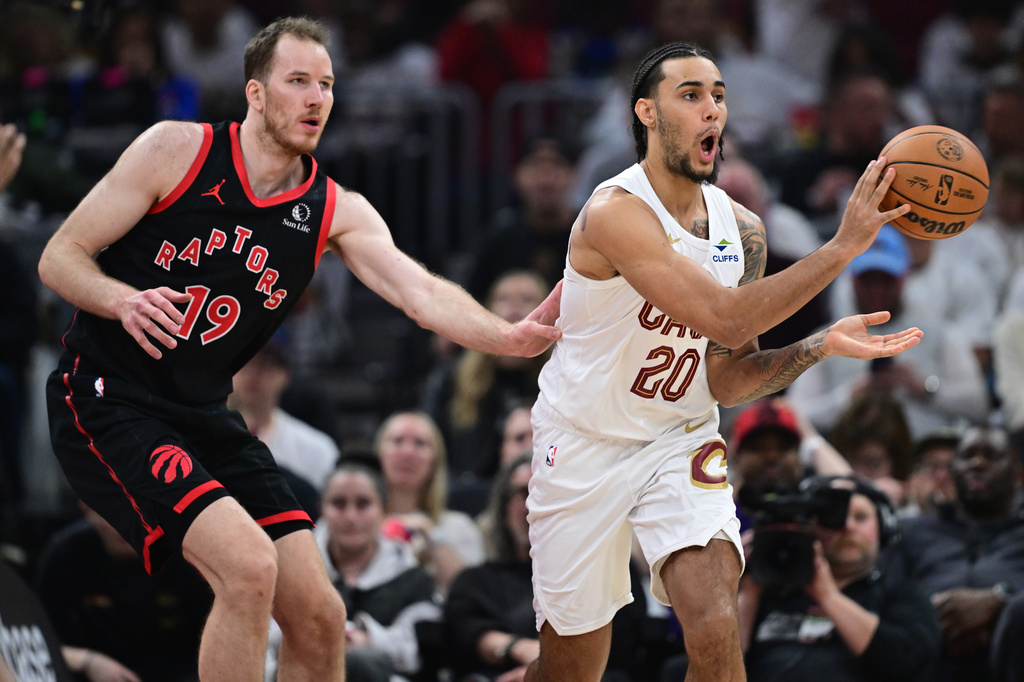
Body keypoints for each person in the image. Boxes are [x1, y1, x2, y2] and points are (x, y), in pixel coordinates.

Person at [36, 16, 561, 682]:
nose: (317, 98)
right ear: (256, 93)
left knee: (316, 613)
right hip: (110, 397)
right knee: (248, 567)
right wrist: (120, 299)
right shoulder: (176, 150)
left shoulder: (334, 209)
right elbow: (60, 258)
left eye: (327, 84)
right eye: (298, 82)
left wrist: (508, 337)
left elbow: (422, 293)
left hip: (202, 412)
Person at [524, 41, 921, 682]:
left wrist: (818, 344)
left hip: (678, 441)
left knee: (714, 627)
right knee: (573, 668)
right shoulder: (612, 213)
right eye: (690, 96)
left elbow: (728, 377)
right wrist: (843, 246)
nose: (712, 110)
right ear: (646, 114)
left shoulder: (744, 232)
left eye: (718, 95)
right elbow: (727, 316)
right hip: (583, 445)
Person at [445, 453, 649, 682]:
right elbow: (464, 635)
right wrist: (520, 651)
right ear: (504, 507)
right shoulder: (476, 582)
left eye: (548, 491)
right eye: (524, 493)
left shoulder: (609, 569)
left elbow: (628, 655)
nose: (536, 503)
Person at [738, 475, 940, 682]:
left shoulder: (902, 594)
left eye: (860, 517)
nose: (848, 526)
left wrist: (828, 597)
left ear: (884, 528)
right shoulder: (770, 591)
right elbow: (718, 659)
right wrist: (750, 592)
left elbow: (906, 662)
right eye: (833, 518)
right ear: (811, 528)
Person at [266, 461, 441, 682]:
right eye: (339, 504)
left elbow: (418, 651)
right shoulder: (290, 568)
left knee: (360, 663)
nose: (350, 517)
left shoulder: (413, 578)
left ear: (384, 510)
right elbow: (265, 639)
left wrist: (367, 638)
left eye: (363, 504)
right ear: (322, 509)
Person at [888, 426, 1024, 682]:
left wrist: (1000, 603)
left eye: (991, 455)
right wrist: (930, 616)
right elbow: (884, 598)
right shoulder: (910, 532)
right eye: (967, 456)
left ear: (1018, 475)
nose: (977, 463)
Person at [34, 502, 213, 682]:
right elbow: (38, 642)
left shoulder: (182, 550)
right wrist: (89, 662)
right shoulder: (65, 557)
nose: (128, 526)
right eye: (114, 514)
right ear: (88, 510)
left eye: (138, 512)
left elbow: (216, 640)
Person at [375, 411, 487, 595]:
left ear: (435, 462)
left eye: (420, 443)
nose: (407, 452)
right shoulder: (353, 522)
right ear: (379, 454)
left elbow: (472, 595)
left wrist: (431, 534)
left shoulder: (459, 528)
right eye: (397, 441)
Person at [229, 338, 340, 493]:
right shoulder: (203, 438)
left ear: (285, 375)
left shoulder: (316, 449)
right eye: (244, 361)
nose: (253, 373)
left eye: (265, 364)